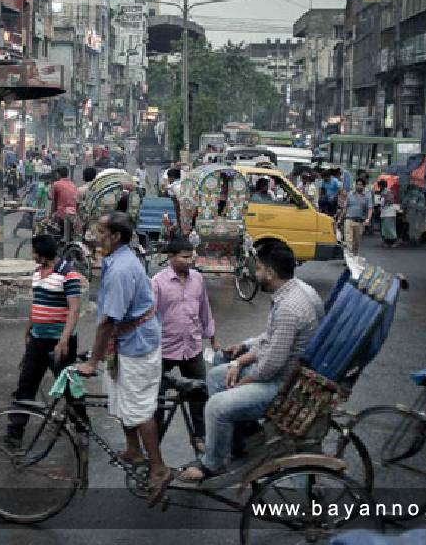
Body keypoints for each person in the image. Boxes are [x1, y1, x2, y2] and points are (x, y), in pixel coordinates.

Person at [178, 241, 323, 483]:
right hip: (286, 370)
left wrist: (241, 382)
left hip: (283, 385)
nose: (255, 274)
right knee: (217, 376)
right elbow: (271, 338)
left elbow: (270, 366)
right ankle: (241, 442)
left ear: (270, 272)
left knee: (216, 406)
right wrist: (241, 357)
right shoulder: (298, 290)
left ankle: (212, 464)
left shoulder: (289, 308)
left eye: (259, 269)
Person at [75, 212, 169, 503]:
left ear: (116, 237)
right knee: (121, 398)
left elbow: (107, 321)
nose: (96, 236)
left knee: (139, 409)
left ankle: (159, 467)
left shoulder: (120, 269)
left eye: (101, 232)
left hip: (137, 344)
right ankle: (134, 449)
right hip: (126, 341)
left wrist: (93, 361)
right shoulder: (117, 259)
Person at [5, 234, 86, 441]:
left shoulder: (68, 274)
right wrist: (29, 328)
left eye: (34, 252)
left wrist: (63, 340)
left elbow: (74, 310)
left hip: (60, 342)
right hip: (37, 339)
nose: (32, 255)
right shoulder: (37, 273)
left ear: (43, 253)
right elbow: (37, 303)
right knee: (26, 385)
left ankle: (82, 427)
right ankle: (14, 434)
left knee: (68, 387)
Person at [151, 235, 218, 452]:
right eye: (184, 257)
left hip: (192, 347)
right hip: (164, 349)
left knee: (199, 394)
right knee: (158, 399)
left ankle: (200, 436)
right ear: (171, 257)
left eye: (191, 256)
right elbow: (150, 316)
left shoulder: (197, 279)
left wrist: (212, 338)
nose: (189, 261)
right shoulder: (157, 282)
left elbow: (205, 309)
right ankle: (154, 443)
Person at [341, 178, 372, 256]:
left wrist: (368, 219)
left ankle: (355, 255)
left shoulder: (367, 196)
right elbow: (345, 207)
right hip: (349, 219)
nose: (358, 186)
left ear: (364, 186)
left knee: (357, 241)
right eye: (357, 184)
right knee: (349, 240)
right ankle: (349, 256)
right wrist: (340, 218)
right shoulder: (350, 194)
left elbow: (370, 209)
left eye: (360, 185)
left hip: (359, 221)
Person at [378, 180, 399, 248]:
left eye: (379, 186)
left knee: (387, 228)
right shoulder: (390, 191)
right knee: (390, 228)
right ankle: (389, 242)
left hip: (387, 212)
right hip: (390, 212)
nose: (379, 187)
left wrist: (380, 207)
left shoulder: (384, 192)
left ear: (382, 186)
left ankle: (393, 242)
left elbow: (382, 203)